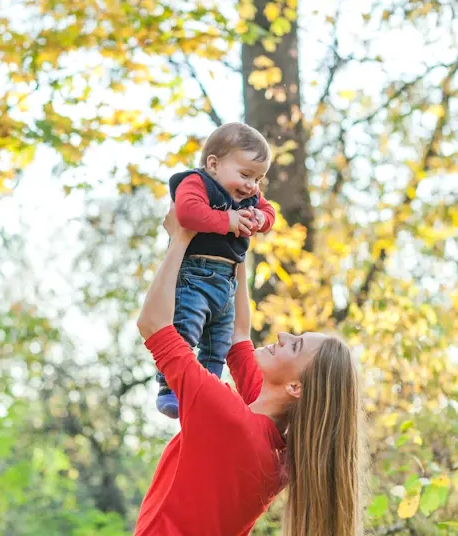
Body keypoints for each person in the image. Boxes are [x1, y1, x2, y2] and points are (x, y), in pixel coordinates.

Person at [135, 205, 366, 536]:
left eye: (295, 345)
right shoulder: (274, 444)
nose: (283, 336)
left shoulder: (229, 421)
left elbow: (153, 323)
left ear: (296, 388)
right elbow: (237, 335)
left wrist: (180, 237)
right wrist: (237, 251)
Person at [157, 122, 276, 418]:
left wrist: (259, 218)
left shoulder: (248, 197)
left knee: (218, 344)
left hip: (227, 282)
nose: (251, 186)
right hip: (195, 274)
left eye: (258, 179)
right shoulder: (196, 183)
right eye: (245, 175)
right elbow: (187, 213)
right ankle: (169, 387)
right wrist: (230, 222)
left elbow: (271, 213)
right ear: (213, 164)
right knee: (184, 327)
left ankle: (205, 390)